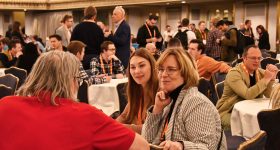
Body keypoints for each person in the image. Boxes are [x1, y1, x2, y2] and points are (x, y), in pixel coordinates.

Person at [0, 51, 149, 150]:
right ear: (70, 80)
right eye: (78, 79)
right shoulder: (85, 115)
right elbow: (142, 146)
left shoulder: (5, 105)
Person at [142, 47, 226, 149]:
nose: (163, 75)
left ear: (186, 73)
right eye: (161, 69)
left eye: (171, 70)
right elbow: (146, 141)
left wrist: (180, 146)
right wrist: (157, 110)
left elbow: (206, 147)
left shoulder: (196, 103)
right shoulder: (169, 100)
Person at [216, 45, 278, 130]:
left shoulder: (259, 72)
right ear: (244, 58)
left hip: (251, 111)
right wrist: (266, 78)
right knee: (255, 125)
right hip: (229, 112)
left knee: (269, 122)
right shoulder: (234, 74)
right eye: (253, 58)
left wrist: (271, 79)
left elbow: (269, 95)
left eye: (259, 58)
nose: (257, 61)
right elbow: (247, 95)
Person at [117, 48, 158, 134]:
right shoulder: (137, 90)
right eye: (132, 67)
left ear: (152, 66)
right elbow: (124, 116)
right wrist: (111, 125)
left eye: (142, 65)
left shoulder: (161, 92)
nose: (137, 71)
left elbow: (153, 129)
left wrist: (122, 127)